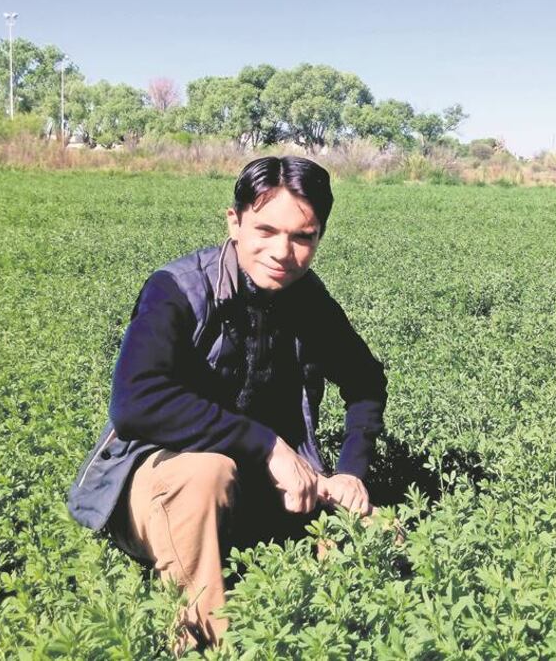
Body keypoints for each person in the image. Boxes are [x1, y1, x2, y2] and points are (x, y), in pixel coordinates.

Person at [67, 155, 388, 652]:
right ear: (234, 221)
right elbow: (135, 402)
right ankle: (206, 641)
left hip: (262, 480)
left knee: (377, 532)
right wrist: (266, 445)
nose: (283, 252)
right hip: (161, 481)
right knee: (206, 474)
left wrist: (350, 472)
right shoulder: (176, 289)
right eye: (266, 230)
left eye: (303, 237)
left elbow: (365, 380)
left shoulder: (308, 298)